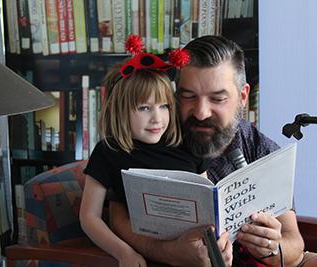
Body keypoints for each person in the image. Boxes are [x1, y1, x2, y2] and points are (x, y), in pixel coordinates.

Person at [109, 35, 305, 267]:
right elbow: (117, 214)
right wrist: (169, 252)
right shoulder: (154, 135)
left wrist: (271, 247)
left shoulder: (261, 150)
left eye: (217, 98)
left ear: (242, 96)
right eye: (189, 96)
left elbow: (295, 244)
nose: (201, 112)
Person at [79, 46, 216, 267]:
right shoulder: (108, 152)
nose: (157, 118)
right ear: (121, 110)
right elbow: (89, 217)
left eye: (164, 106)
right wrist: (123, 253)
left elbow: (209, 204)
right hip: (145, 255)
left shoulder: (189, 145)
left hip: (197, 251)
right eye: (144, 108)